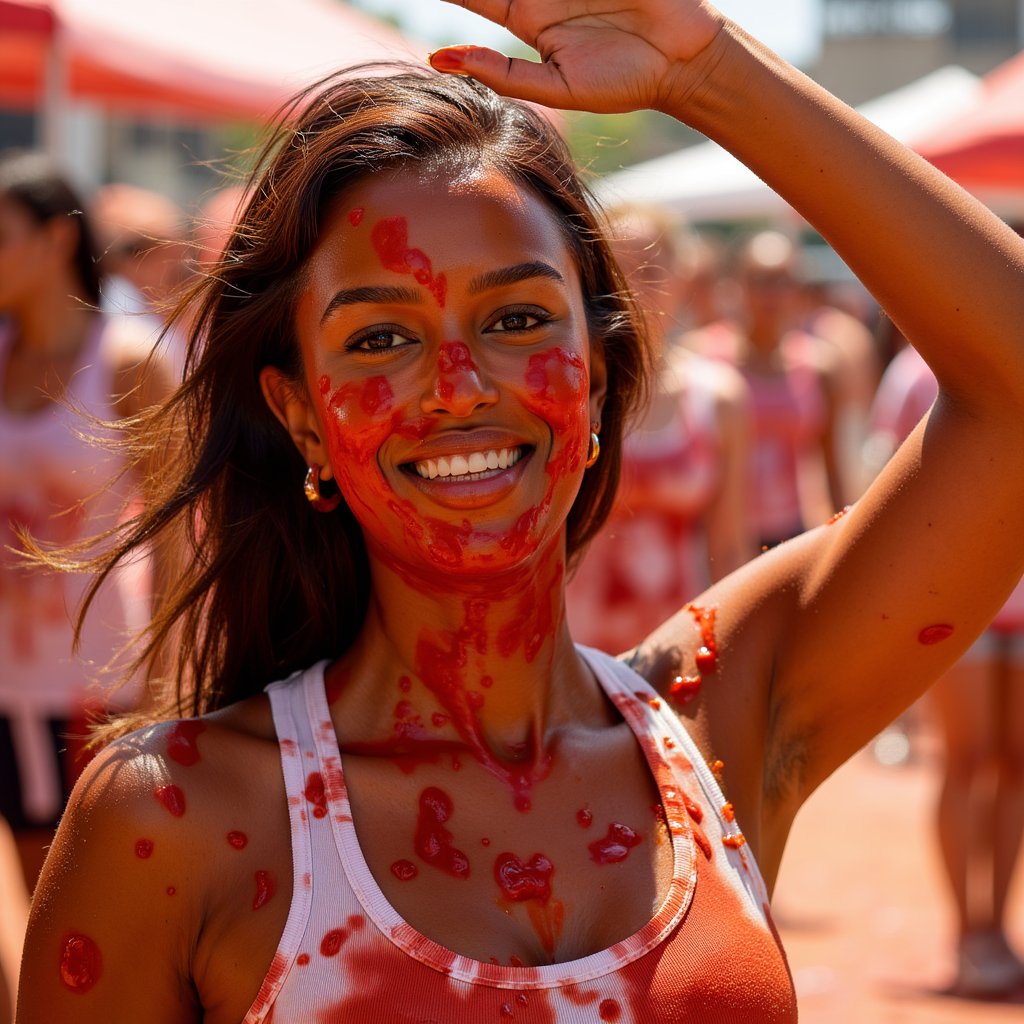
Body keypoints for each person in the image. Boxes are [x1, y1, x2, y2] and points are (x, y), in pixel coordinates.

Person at [15, 1, 1024, 1019]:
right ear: (301, 415)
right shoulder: (175, 820)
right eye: (378, 340)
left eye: (516, 318)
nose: (456, 385)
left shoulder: (719, 723)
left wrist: (712, 72)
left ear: (595, 370)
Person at [0, 152, 174, 895]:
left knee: (85, 898)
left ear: (56, 240)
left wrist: (169, 688)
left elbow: (178, 536)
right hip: (7, 677)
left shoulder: (131, 361)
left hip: (101, 680)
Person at [869, 339, 1024, 996]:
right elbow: (884, 484)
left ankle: (997, 930)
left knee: (1016, 763)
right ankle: (968, 934)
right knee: (965, 759)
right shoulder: (916, 374)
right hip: (956, 603)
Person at [566, 204, 753, 654]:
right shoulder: (569, 392)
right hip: (575, 651)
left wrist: (739, 650)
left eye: (651, 271)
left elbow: (730, 549)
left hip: (680, 650)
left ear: (683, 278)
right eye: (621, 271)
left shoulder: (719, 397)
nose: (636, 290)